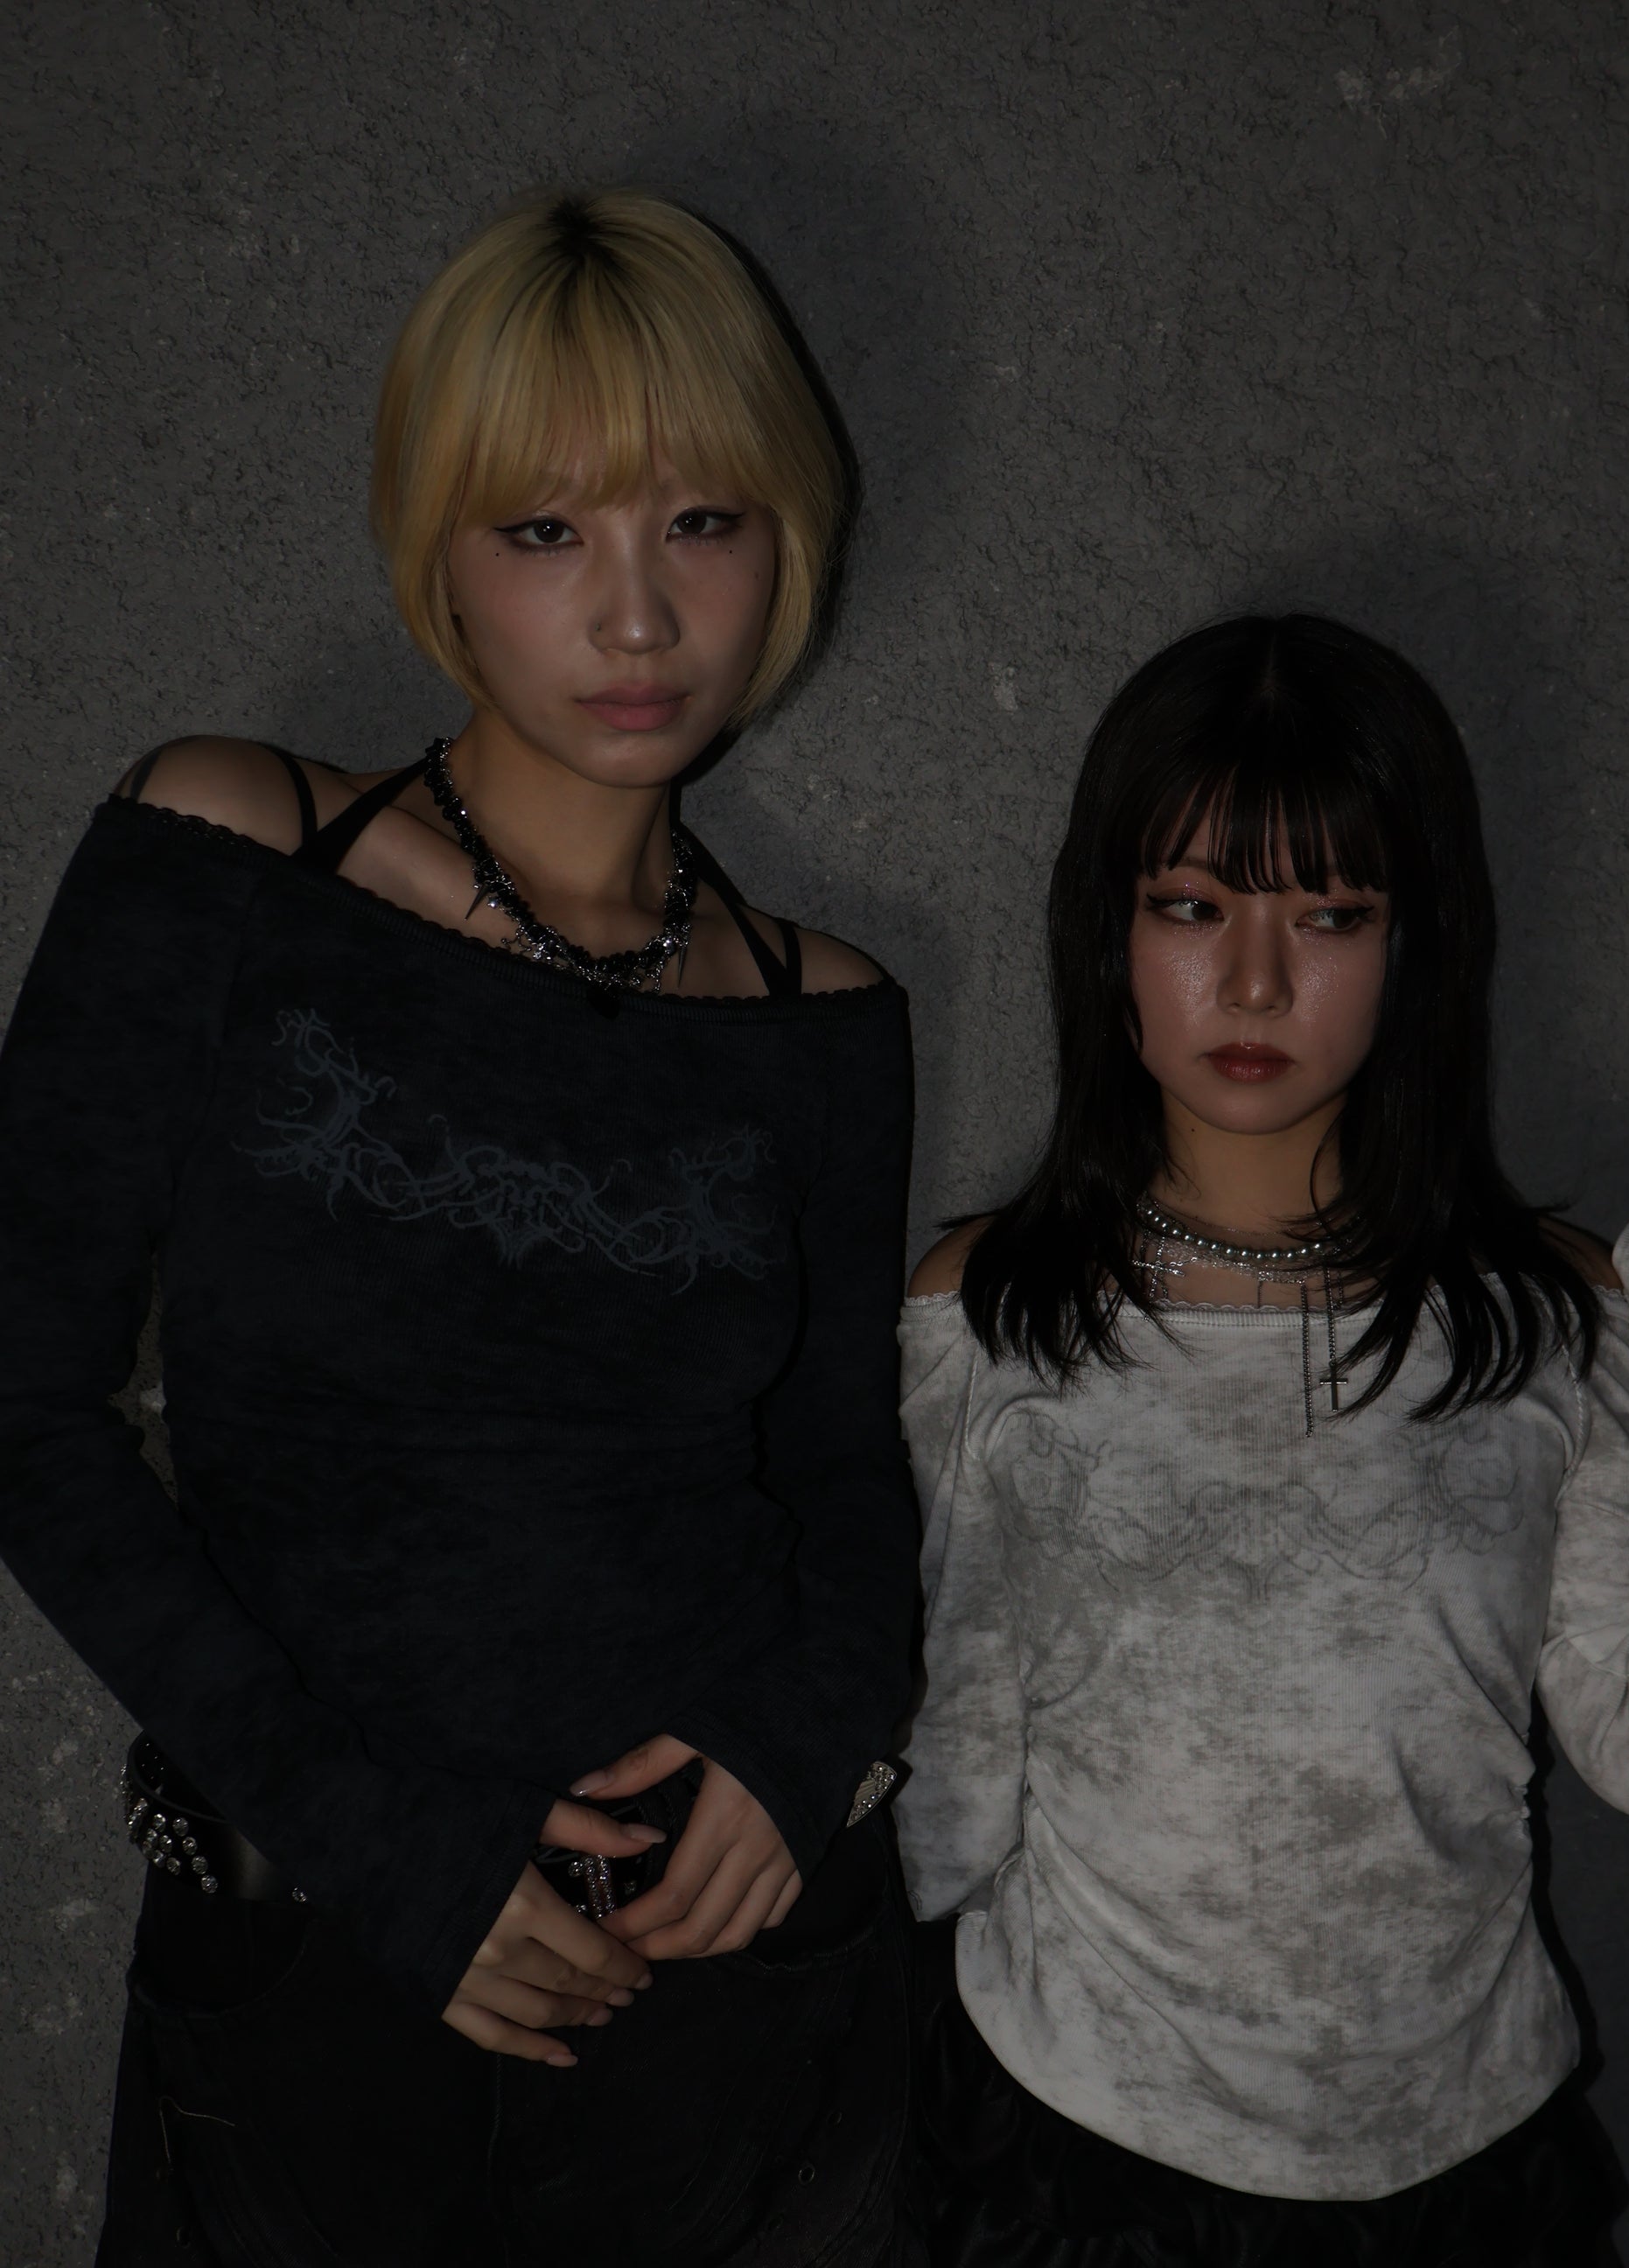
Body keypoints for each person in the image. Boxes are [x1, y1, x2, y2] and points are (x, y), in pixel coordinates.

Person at [0, 188, 919, 2266]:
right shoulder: (227, 847)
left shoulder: (828, 1011)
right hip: (313, 1974)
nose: (636, 618)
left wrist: (805, 1743)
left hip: (738, 1995)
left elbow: (842, 1471)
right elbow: (23, 1407)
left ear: (786, 536)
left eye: (701, 521)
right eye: (547, 530)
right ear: (438, 547)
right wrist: (369, 1841)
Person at [894, 613, 1629, 2266]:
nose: (1253, 982)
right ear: (1108, 928)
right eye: (1191, 906)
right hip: (1081, 2139)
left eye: (1329, 915)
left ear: (1415, 942)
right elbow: (952, 1758)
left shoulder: (1554, 1311)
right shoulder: (990, 1307)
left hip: (1463, 2149)